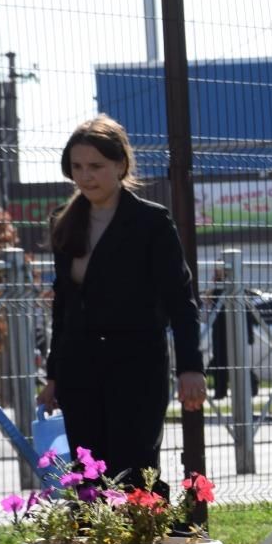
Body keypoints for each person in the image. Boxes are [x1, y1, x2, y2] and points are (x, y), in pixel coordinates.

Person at [38, 116, 206, 489]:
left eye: (96, 166)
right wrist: (53, 376)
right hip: (79, 367)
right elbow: (63, 306)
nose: (86, 176)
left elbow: (180, 300)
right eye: (77, 167)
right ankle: (91, 529)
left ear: (120, 165)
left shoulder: (152, 222)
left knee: (134, 470)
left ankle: (143, 529)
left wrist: (190, 367)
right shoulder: (63, 221)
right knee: (87, 474)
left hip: (137, 366)